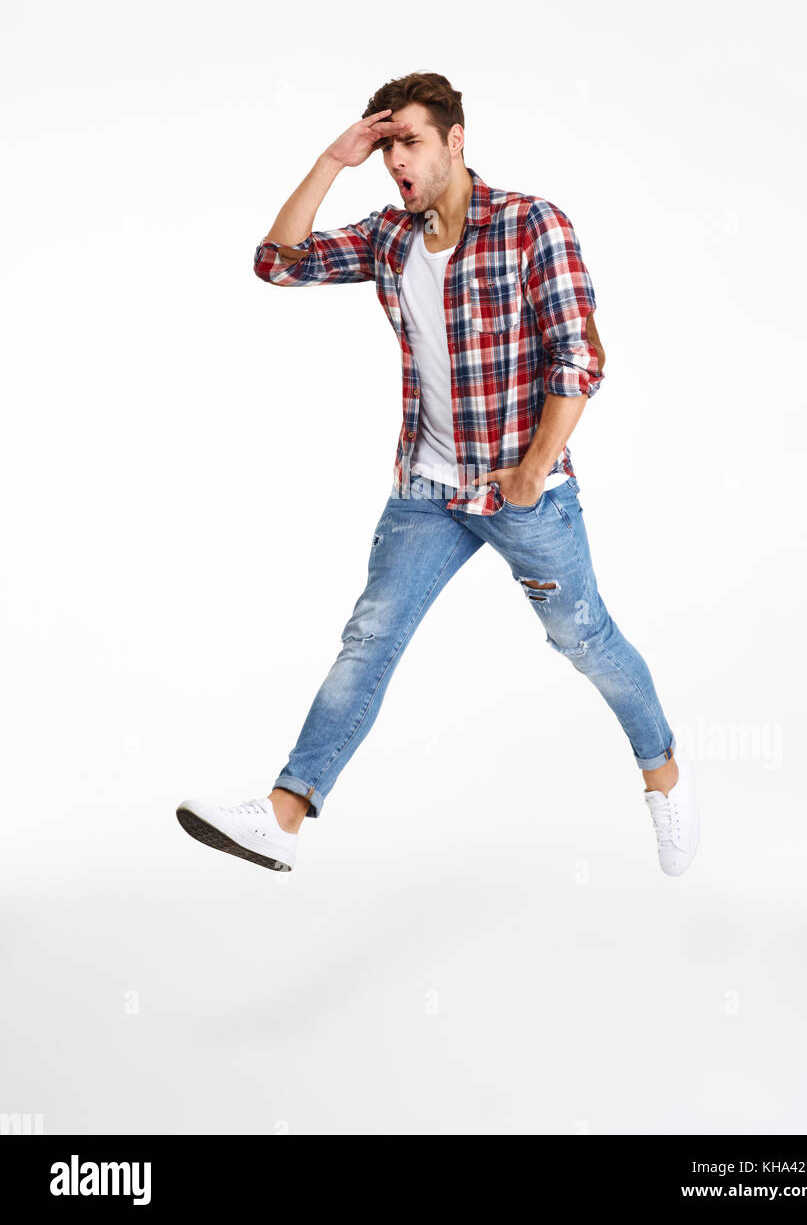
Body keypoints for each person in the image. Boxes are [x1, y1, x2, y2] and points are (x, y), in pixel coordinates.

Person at [176, 72, 699, 878]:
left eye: (410, 142)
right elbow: (277, 264)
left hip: (524, 496)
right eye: (389, 147)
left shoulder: (530, 225)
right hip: (425, 492)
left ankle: (662, 773)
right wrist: (331, 159)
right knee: (370, 638)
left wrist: (529, 472)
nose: (397, 162)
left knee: (583, 639)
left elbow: (581, 357)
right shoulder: (392, 235)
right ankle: (284, 816)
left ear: (457, 140)